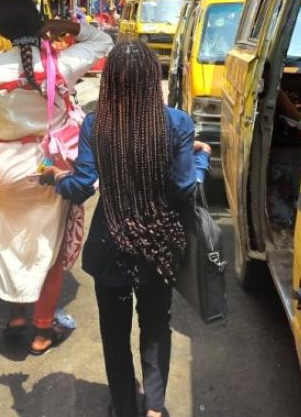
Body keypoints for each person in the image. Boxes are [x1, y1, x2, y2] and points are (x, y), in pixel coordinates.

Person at [46, 42, 211, 417]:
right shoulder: (177, 123)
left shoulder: (95, 124)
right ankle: (154, 409)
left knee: (115, 336)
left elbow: (82, 186)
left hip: (112, 250)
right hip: (158, 249)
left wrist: (55, 178)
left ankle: (123, 408)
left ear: (110, 83)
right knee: (155, 327)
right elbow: (186, 188)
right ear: (155, 80)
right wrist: (200, 158)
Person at [0, 0, 112, 355]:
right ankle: (42, 331)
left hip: (3, 163)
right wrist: (66, 26)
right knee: (48, 245)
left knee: (9, 240)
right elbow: (103, 40)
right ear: (38, 21)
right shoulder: (60, 64)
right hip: (45, 163)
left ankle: (18, 316)